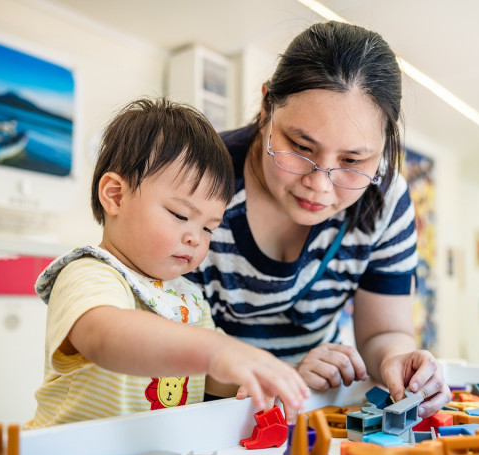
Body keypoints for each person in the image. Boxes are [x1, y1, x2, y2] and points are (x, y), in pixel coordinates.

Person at [186, 21, 451, 418]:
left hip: (313, 407)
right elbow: (162, 346)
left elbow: (383, 333)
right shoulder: (194, 179)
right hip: (202, 411)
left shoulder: (385, 198)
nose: (319, 185)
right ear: (266, 109)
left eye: (352, 161)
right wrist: (284, 375)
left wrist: (398, 361)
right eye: (300, 146)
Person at [25, 98, 308, 429]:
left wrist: (257, 377)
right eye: (181, 215)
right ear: (115, 196)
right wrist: (217, 349)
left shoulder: (187, 296)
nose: (195, 238)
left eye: (208, 228)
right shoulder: (89, 271)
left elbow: (207, 375)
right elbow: (105, 336)